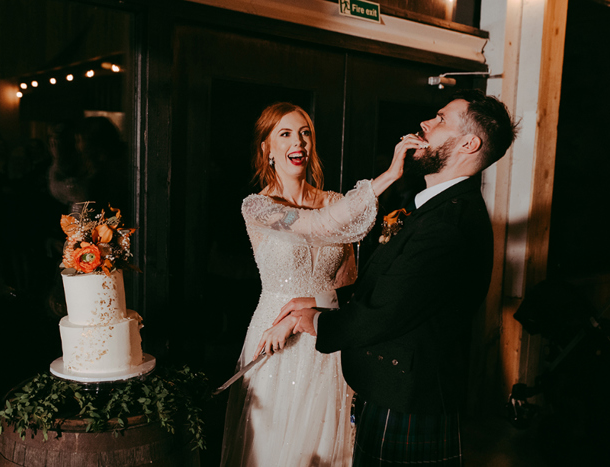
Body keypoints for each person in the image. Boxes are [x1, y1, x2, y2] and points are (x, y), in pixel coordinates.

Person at [267, 89, 518, 466]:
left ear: (469, 143)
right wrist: (325, 300)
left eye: (440, 119)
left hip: (410, 396)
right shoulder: (436, 208)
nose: (426, 124)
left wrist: (315, 319)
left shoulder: (448, 223)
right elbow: (399, 284)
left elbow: (387, 309)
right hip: (395, 388)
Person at [220, 102, 426, 466]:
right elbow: (315, 227)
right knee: (273, 442)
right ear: (267, 148)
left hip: (327, 333)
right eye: (285, 133)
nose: (297, 141)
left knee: (325, 439)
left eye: (304, 133)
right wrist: (391, 174)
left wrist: (323, 316)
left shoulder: (335, 203)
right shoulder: (257, 207)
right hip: (274, 330)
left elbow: (348, 280)